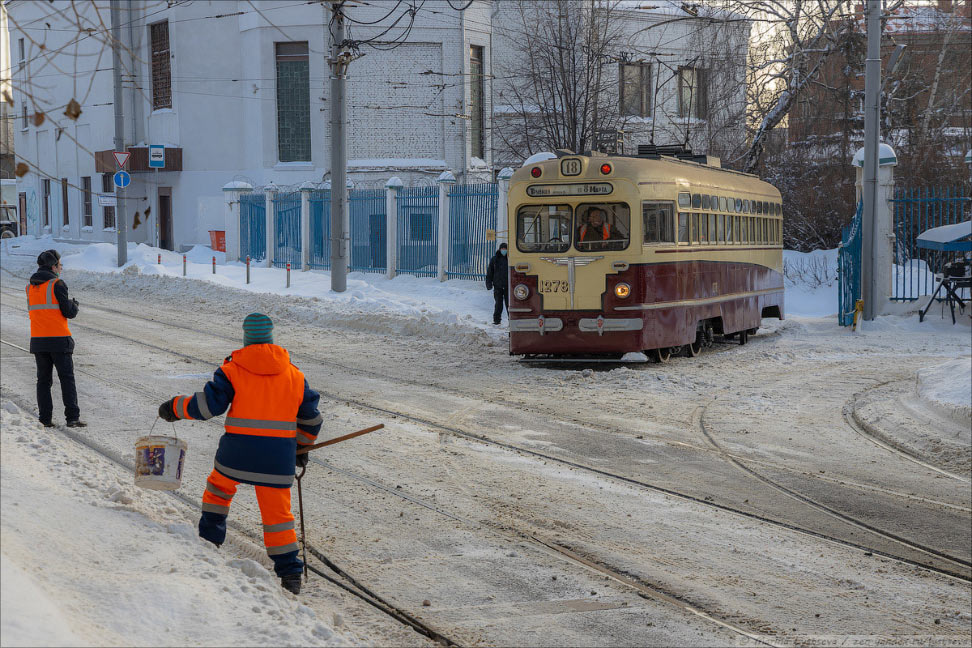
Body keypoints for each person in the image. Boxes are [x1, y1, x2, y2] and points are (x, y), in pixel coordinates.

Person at [158, 313, 322, 595]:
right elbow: (311, 420)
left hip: (235, 456)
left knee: (218, 489)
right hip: (276, 461)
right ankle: (290, 574)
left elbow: (209, 406)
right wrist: (300, 449)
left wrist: (174, 407)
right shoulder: (295, 375)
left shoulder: (233, 369)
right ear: (272, 338)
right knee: (278, 516)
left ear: (245, 338)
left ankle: (209, 540)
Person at [27, 249, 84, 428]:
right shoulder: (57, 284)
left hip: (38, 340)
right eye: (60, 265)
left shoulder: (30, 287)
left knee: (43, 381)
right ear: (53, 266)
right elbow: (68, 312)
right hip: (59, 339)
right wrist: (74, 306)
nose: (60, 268)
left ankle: (45, 419)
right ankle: (72, 418)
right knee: (66, 378)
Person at [485, 243, 509, 325]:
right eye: (502, 248)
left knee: (509, 304)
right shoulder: (494, 259)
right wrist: (489, 283)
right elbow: (490, 272)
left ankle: (511, 320)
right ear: (499, 249)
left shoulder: (510, 259)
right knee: (498, 304)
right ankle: (496, 320)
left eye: (505, 248)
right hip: (498, 285)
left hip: (508, 286)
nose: (504, 250)